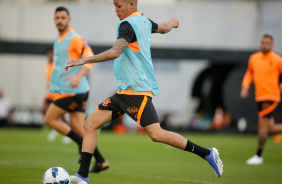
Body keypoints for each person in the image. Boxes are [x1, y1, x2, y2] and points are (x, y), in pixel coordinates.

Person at [66, 1, 223, 183]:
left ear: (131, 4)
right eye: (114, 5)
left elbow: (116, 52)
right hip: (124, 93)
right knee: (89, 125)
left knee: (157, 134)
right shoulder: (144, 21)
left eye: (118, 5)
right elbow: (163, 28)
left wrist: (82, 61)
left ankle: (207, 153)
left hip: (136, 92)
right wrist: (172, 22)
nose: (115, 10)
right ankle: (82, 176)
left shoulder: (128, 24)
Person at [44, 6, 109, 173]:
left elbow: (91, 57)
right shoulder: (59, 39)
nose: (60, 20)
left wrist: (79, 76)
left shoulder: (74, 38)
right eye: (57, 17)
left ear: (69, 20)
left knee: (49, 119)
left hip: (73, 91)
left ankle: (81, 145)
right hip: (69, 90)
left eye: (63, 18)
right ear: (54, 20)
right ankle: (101, 161)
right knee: (81, 129)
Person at [241, 34, 282, 165]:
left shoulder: (277, 59)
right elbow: (249, 73)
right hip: (259, 96)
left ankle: (258, 156)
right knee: (270, 129)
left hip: (270, 97)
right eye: (263, 43)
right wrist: (245, 86)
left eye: (267, 43)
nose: (265, 45)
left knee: (262, 128)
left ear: (272, 45)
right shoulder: (254, 58)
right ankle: (258, 156)